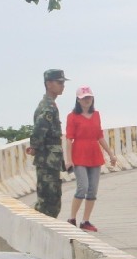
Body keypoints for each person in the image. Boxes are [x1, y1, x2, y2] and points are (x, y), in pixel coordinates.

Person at [63, 86, 117, 232]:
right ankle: (72, 218)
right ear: (78, 100)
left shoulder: (96, 114)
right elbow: (69, 139)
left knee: (92, 189)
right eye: (84, 98)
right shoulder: (72, 116)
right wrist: (68, 159)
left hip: (94, 153)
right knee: (83, 187)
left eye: (89, 97)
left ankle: (85, 220)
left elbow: (99, 136)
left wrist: (111, 153)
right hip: (79, 153)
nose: (87, 100)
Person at [27, 68, 67, 218]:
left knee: (52, 199)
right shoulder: (48, 107)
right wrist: (34, 146)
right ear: (49, 84)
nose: (62, 86)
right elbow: (39, 129)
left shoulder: (49, 104)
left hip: (50, 160)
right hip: (47, 160)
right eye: (59, 82)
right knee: (48, 202)